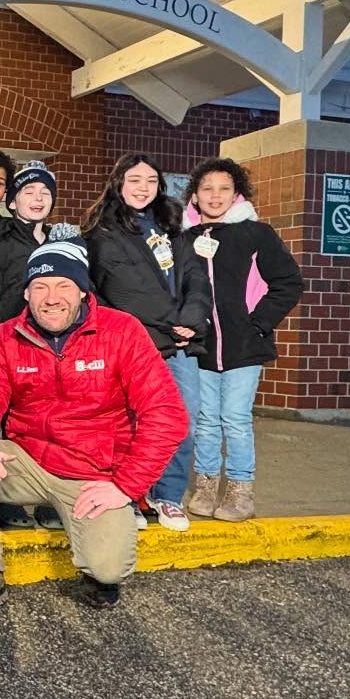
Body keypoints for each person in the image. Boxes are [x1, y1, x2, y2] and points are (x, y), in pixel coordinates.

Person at [0, 232, 190, 617]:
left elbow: (167, 414)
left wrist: (125, 486)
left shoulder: (122, 331)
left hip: (96, 475)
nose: (51, 296)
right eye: (40, 286)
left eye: (64, 285)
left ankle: (97, 569)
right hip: (29, 459)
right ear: (26, 294)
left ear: (82, 291)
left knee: (108, 567)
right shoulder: (7, 337)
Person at [83, 153, 208, 531]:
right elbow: (123, 291)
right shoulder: (102, 232)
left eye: (151, 181)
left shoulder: (172, 227)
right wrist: (173, 322)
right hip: (135, 342)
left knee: (180, 420)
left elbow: (194, 279)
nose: (143, 187)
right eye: (135, 179)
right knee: (130, 424)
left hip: (178, 342)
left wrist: (191, 319)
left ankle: (167, 496)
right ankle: (132, 496)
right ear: (119, 182)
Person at [183, 157, 303, 522]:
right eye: (207, 189)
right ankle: (204, 487)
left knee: (234, 418)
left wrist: (258, 324)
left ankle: (239, 492)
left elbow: (288, 282)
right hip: (199, 346)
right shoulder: (183, 239)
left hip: (244, 346)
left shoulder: (256, 234)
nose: (215, 196)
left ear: (237, 194)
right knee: (205, 419)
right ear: (195, 195)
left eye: (224, 188)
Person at [0, 159, 58, 531]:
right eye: (29, 191)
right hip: (10, 345)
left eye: (45, 192)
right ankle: (8, 499)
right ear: (12, 201)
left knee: (46, 425)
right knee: (6, 427)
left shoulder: (63, 241)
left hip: (52, 349)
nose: (38, 198)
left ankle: (48, 498)